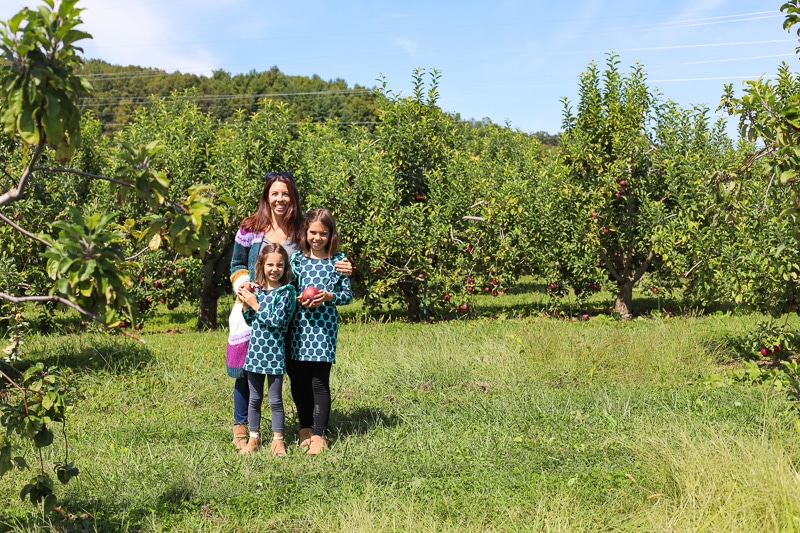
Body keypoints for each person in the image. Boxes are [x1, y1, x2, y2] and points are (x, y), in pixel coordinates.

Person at [227, 172, 352, 451]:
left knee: (291, 371)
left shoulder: (300, 229)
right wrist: (243, 286)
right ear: (267, 196)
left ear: (292, 197)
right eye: (275, 193)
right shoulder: (250, 228)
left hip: (288, 313)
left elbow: (320, 256)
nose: (280, 199)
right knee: (246, 370)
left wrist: (343, 266)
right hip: (252, 305)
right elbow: (237, 264)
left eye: (285, 193)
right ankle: (242, 427)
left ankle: (300, 428)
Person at [289, 208, 352, 455]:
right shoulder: (298, 260)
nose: (317, 238)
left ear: (330, 235)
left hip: (323, 330)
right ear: (306, 233)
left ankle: (319, 435)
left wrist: (328, 297)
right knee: (299, 381)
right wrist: (297, 299)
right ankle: (304, 429)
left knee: (319, 382)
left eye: (323, 234)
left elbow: (347, 296)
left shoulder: (338, 261)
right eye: (313, 233)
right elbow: (288, 289)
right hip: (299, 328)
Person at [236, 244, 296, 456]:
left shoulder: (286, 292)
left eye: (279, 265)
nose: (274, 269)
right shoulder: (258, 291)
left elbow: (277, 322)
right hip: (255, 354)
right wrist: (245, 303)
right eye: (270, 264)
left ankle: (278, 440)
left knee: (275, 400)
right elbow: (250, 320)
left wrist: (255, 304)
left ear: (285, 267)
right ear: (262, 265)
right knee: (254, 399)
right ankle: (253, 438)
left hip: (274, 354)